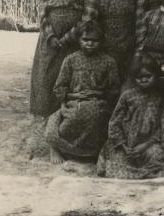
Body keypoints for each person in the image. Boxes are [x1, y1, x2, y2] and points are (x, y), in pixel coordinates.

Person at [30, 0, 99, 117]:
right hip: (51, 32)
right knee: (46, 72)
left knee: (71, 72)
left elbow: (89, 12)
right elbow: (42, 8)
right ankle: (45, 113)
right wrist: (50, 35)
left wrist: (71, 36)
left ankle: (67, 114)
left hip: (76, 33)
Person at [45, 21, 120, 164]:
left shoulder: (108, 61)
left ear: (101, 41)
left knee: (97, 116)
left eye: (94, 41)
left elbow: (114, 87)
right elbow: (59, 86)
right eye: (85, 40)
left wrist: (103, 97)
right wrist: (67, 97)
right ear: (79, 40)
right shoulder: (71, 60)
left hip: (98, 102)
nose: (89, 44)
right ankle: (58, 148)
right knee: (72, 117)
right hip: (73, 101)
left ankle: (92, 153)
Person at [96, 54, 164, 179]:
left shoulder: (160, 97)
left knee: (158, 157)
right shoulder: (127, 96)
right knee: (115, 165)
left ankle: (140, 173)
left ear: (155, 76)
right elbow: (114, 123)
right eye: (139, 77)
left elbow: (163, 125)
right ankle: (142, 174)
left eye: (148, 76)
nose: (144, 80)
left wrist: (146, 145)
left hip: (147, 144)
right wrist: (124, 146)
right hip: (125, 145)